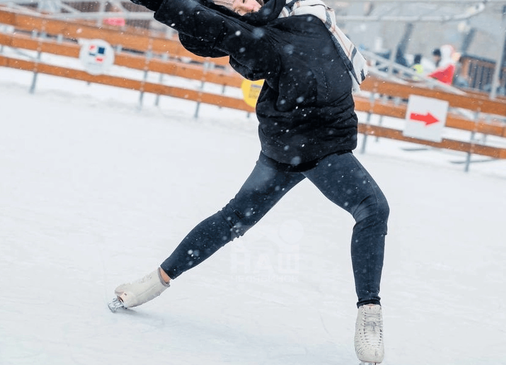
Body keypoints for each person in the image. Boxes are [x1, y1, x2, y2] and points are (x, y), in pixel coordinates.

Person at [111, 0, 389, 363]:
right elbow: (197, 17)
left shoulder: (306, 12)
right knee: (367, 209)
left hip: (303, 137)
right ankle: (155, 281)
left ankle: (370, 311)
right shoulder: (257, 40)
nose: (244, 3)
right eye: (232, 3)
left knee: (234, 219)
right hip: (313, 147)